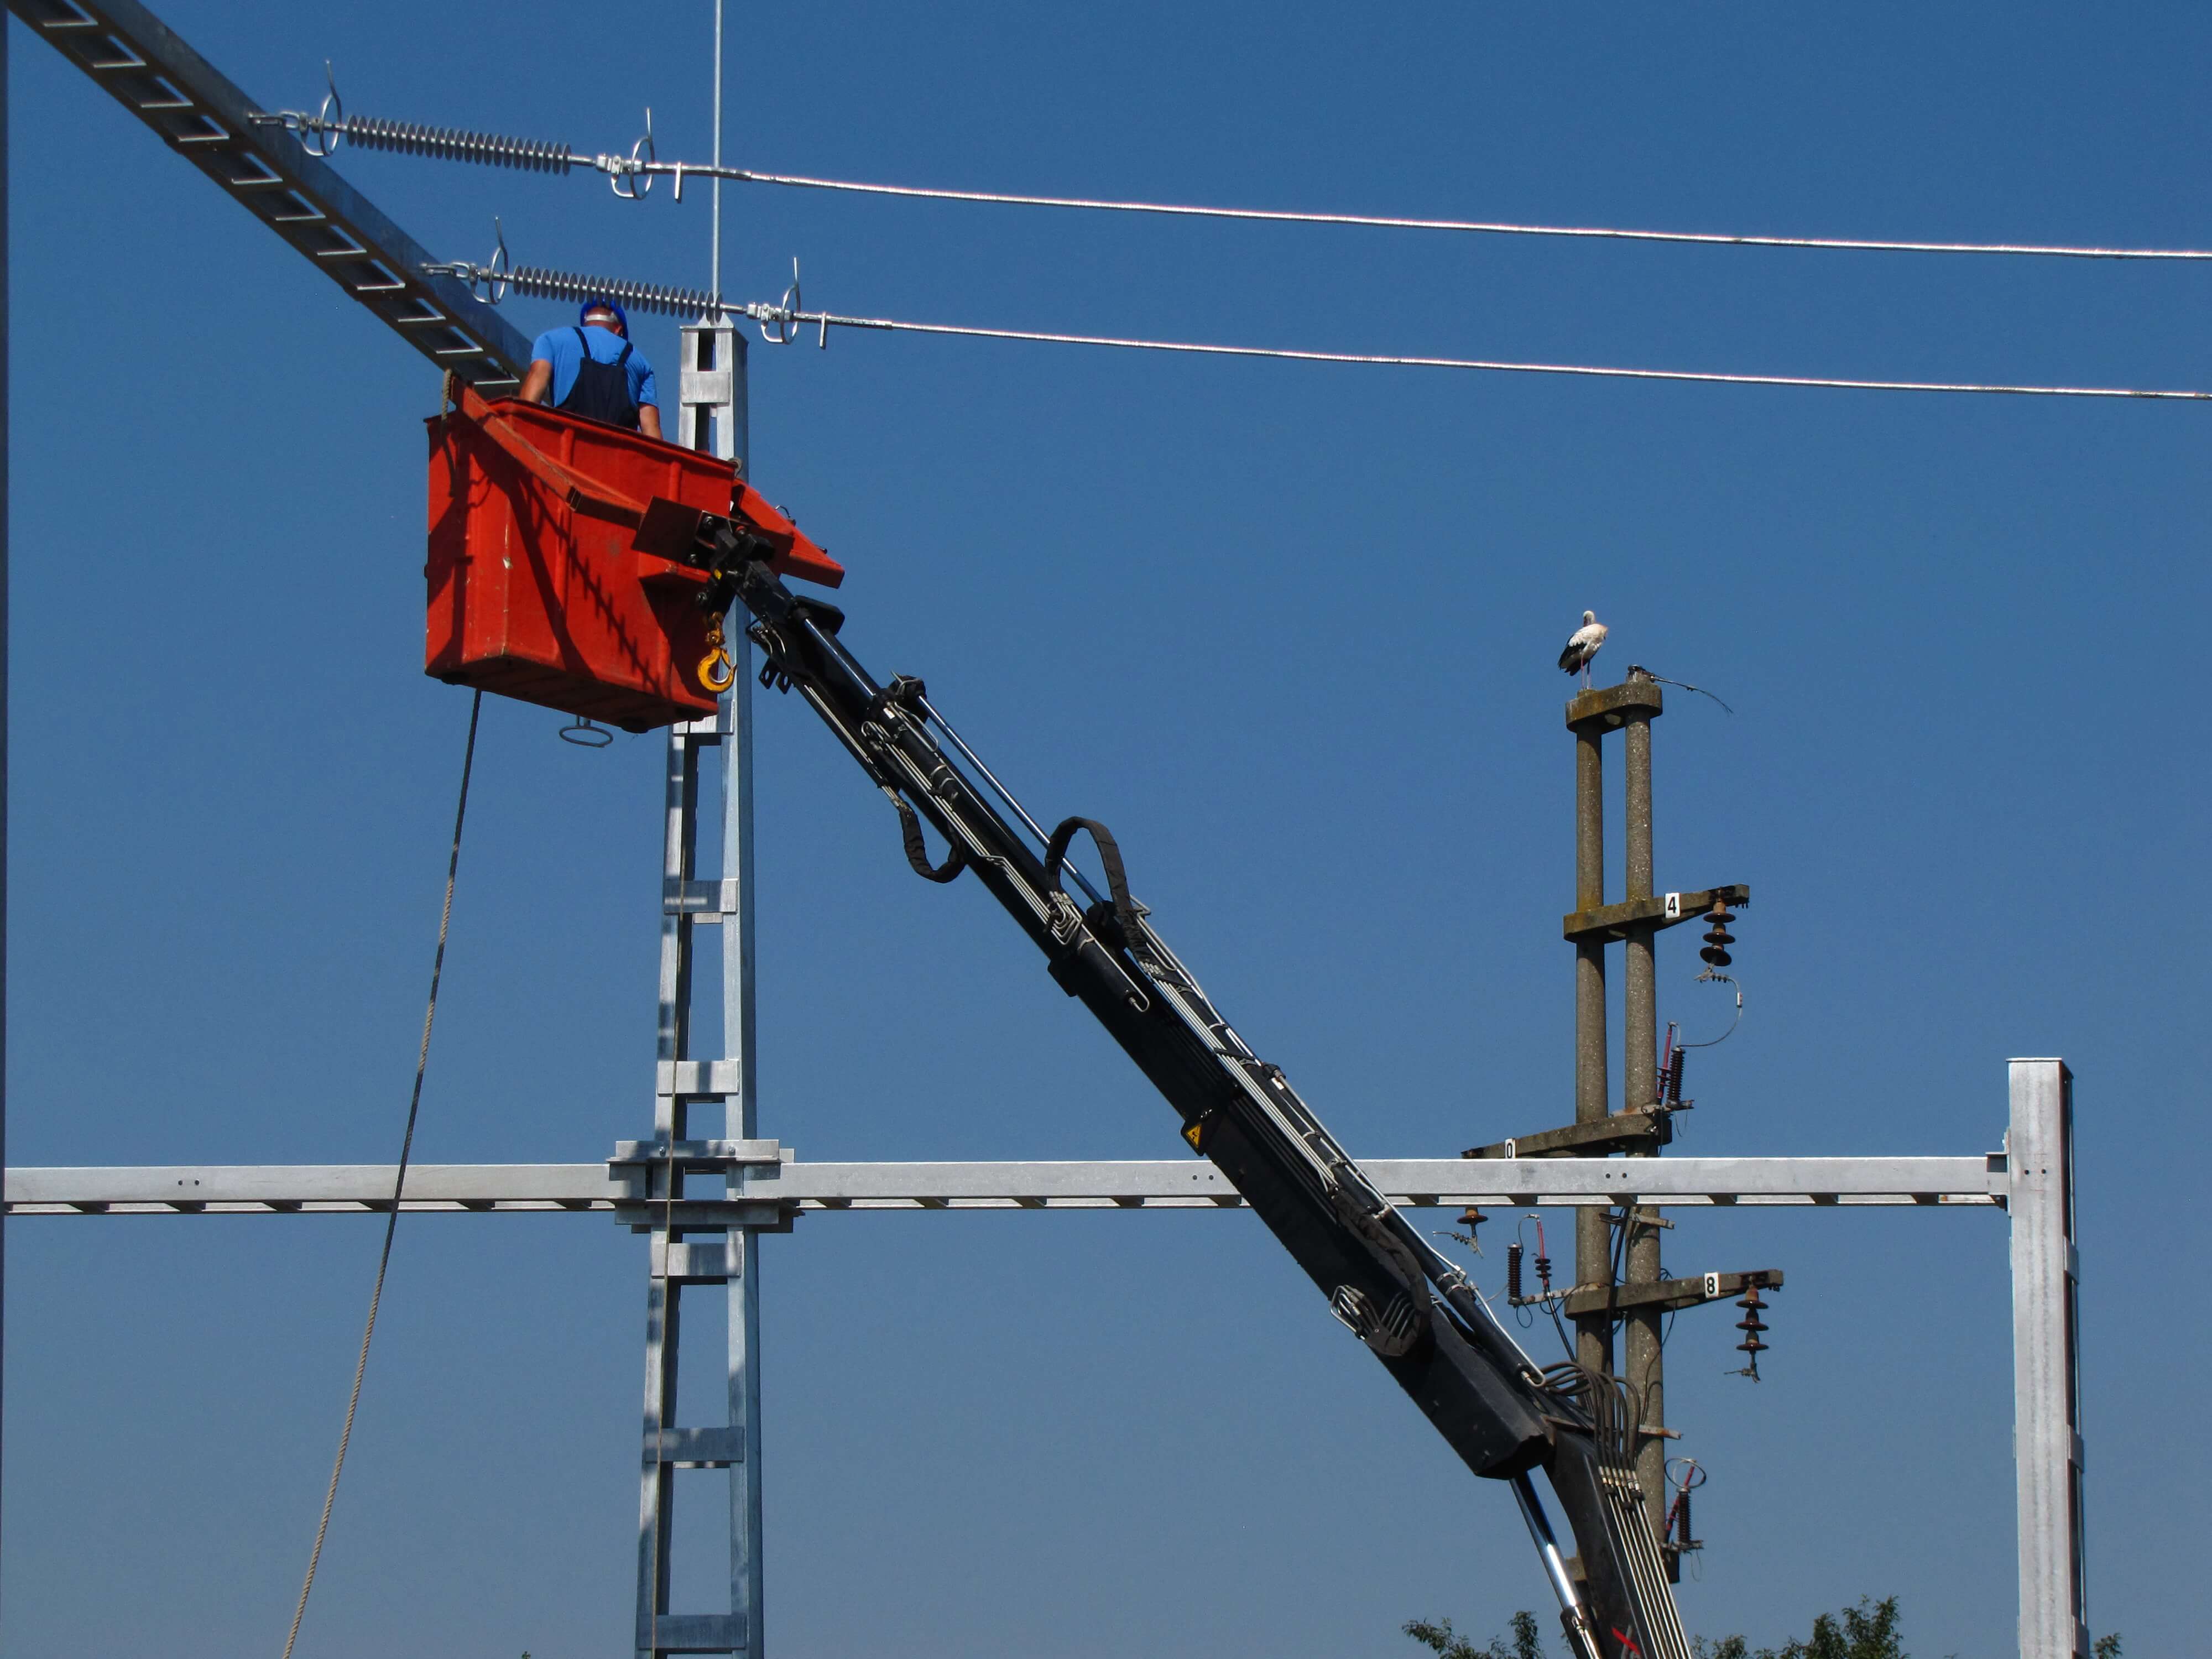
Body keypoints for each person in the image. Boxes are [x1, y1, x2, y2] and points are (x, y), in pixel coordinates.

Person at [519, 297, 662, 437]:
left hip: (566, 449)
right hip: (617, 456)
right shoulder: (641, 362)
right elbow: (651, 430)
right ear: (619, 330)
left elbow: (530, 397)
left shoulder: (551, 340)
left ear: (586, 322)